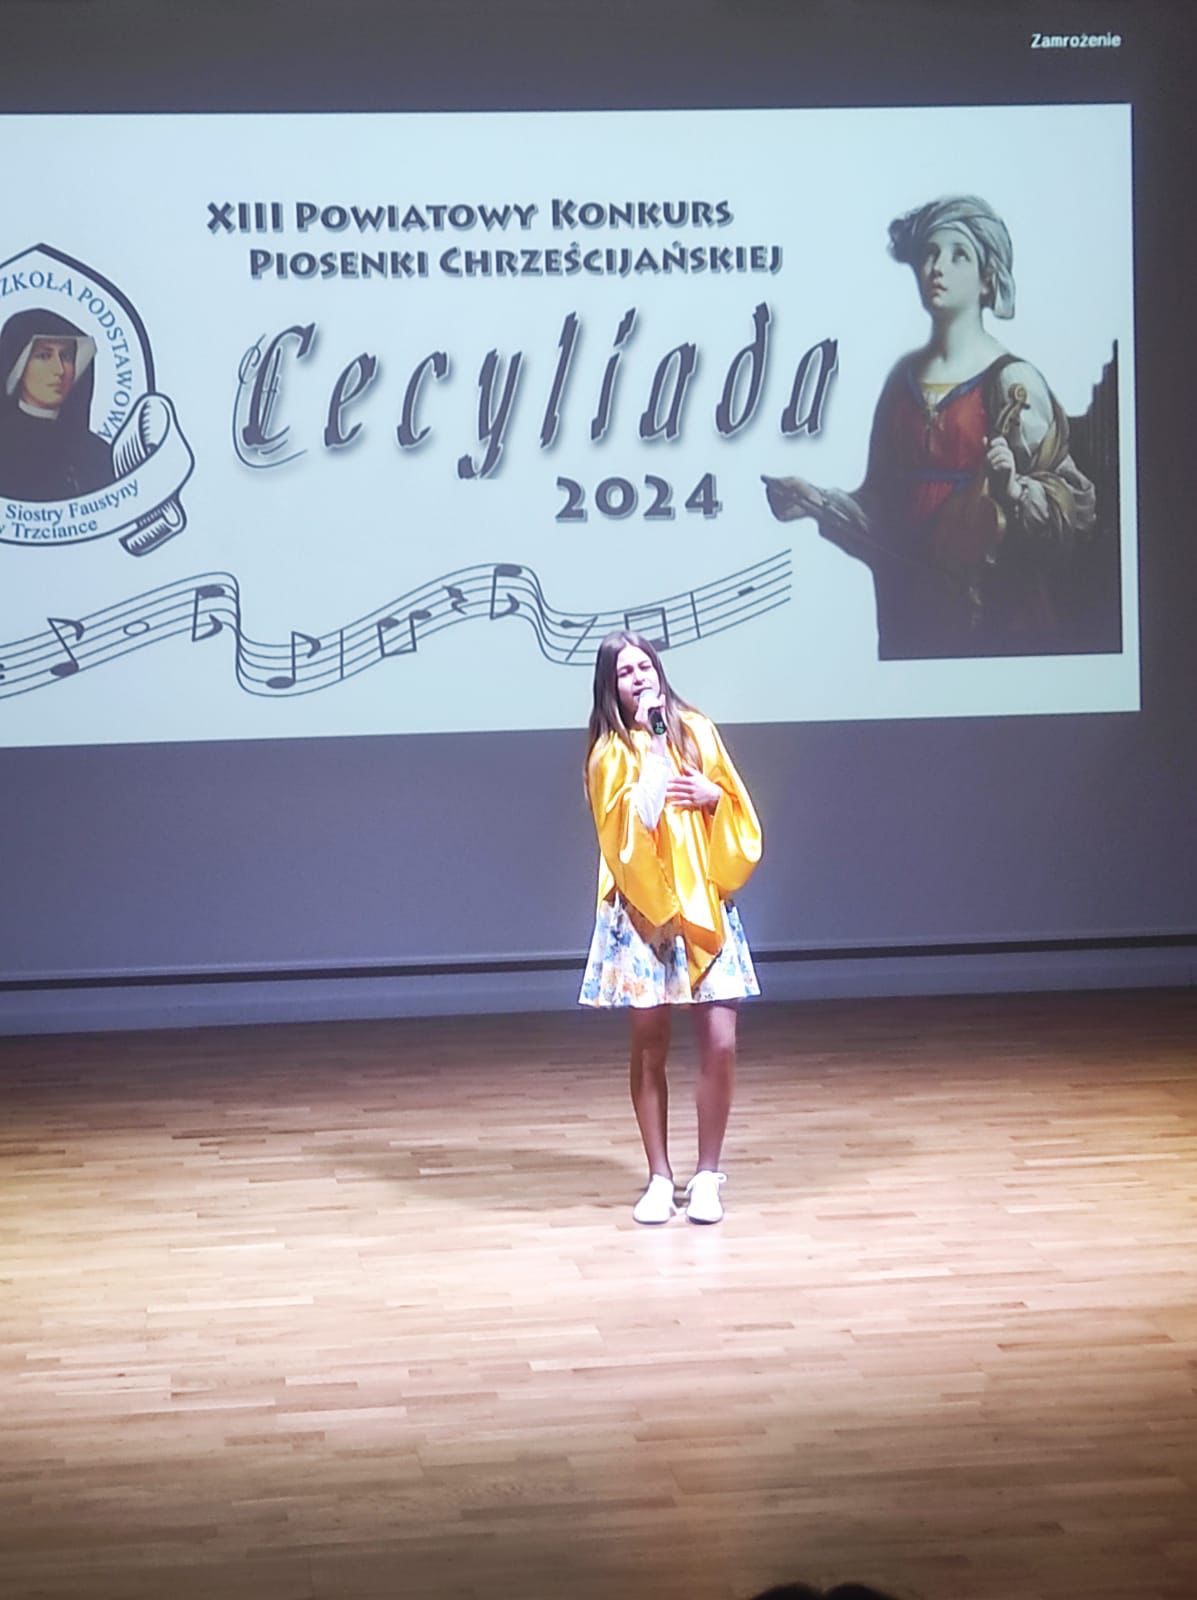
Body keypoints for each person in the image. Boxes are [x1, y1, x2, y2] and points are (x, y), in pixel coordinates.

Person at [764, 195, 1097, 659]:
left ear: (987, 279)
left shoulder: (1013, 382)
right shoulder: (902, 381)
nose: (937, 267)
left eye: (959, 255)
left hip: (997, 621)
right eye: (930, 254)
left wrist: (1013, 489)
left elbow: (1073, 508)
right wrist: (817, 502)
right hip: (911, 614)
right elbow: (883, 511)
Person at [579, 630, 762, 1225]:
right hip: (644, 913)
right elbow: (630, 830)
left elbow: (736, 812)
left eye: (645, 666)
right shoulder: (610, 754)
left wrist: (714, 797)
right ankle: (660, 1176)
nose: (639, 678)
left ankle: (707, 1175)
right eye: (625, 672)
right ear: (611, 687)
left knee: (721, 1042)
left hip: (703, 903)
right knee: (650, 1044)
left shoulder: (699, 730)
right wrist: (655, 752)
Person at [0, 307, 115, 502]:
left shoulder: (96, 453)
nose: (60, 370)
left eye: (66, 356)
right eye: (44, 356)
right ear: (18, 366)